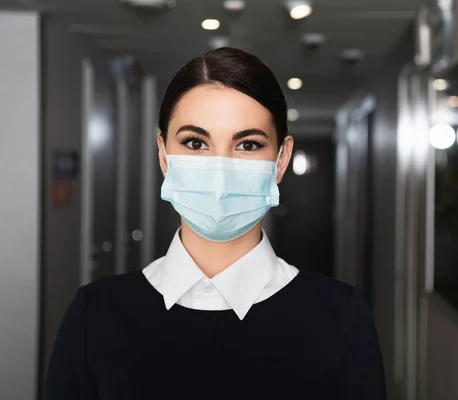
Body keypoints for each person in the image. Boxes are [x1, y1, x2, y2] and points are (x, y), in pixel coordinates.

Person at [45, 47, 386, 399]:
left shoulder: (340, 318)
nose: (220, 171)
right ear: (163, 155)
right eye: (195, 142)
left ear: (281, 159)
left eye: (248, 144)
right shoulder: (95, 316)